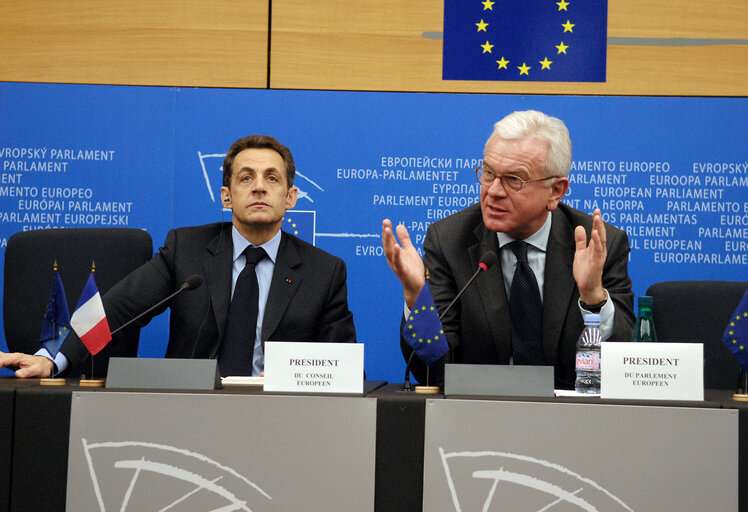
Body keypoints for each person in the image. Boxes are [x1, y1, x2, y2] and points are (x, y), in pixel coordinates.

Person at [1, 135, 356, 378]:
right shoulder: (186, 250)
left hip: (284, 418)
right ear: (227, 197)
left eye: (272, 178)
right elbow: (116, 310)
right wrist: (53, 360)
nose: (259, 186)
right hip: (189, 413)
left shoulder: (323, 271)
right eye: (246, 178)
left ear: (290, 197)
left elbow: (343, 369)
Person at [382, 110, 634, 389]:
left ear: (555, 191)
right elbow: (433, 371)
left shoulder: (598, 244)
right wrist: (418, 300)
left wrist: (593, 298)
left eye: (514, 179)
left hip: (572, 419)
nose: (493, 191)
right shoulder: (449, 241)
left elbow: (621, 367)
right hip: (478, 416)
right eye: (488, 173)